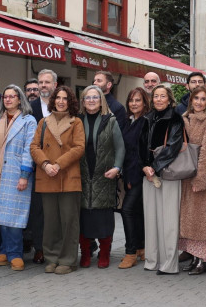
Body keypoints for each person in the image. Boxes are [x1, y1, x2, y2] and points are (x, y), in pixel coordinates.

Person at [0, 85, 37, 271]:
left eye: (13, 97)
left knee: (14, 218)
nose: (9, 100)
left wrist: (24, 175)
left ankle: (15, 254)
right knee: (0, 217)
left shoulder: (28, 121)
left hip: (16, 175)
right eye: (6, 97)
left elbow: (30, 149)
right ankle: (4, 250)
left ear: (20, 99)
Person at [30, 86, 85, 274]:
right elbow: (34, 147)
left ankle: (68, 260)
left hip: (68, 178)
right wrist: (45, 164)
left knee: (69, 221)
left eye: (65, 98)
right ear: (53, 101)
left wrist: (58, 164)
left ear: (70, 102)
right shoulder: (43, 122)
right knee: (51, 222)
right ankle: (51, 257)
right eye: (58, 98)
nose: (61, 101)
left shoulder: (76, 122)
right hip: (47, 177)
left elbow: (79, 148)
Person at [138, 84, 185, 275]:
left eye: (162, 96)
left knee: (169, 221)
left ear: (169, 98)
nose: (158, 99)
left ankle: (169, 264)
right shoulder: (146, 118)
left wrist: (154, 168)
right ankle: (152, 260)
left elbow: (173, 147)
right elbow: (139, 146)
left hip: (168, 174)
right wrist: (145, 167)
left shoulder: (175, 118)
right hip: (148, 175)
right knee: (151, 220)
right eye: (155, 96)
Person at [77, 85, 125, 270]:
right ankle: (86, 253)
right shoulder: (77, 120)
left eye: (95, 97)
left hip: (104, 176)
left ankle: (105, 253)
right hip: (82, 175)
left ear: (101, 100)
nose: (91, 101)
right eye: (87, 98)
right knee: (83, 218)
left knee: (103, 218)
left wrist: (117, 168)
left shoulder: (110, 120)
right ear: (83, 101)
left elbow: (120, 147)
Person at [177, 85, 206, 275]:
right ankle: (193, 256)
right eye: (196, 99)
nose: (199, 102)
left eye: (203, 99)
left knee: (203, 221)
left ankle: (203, 260)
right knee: (189, 220)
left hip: (201, 178)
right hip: (184, 176)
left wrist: (201, 180)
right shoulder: (184, 118)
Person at [25, 68, 58, 262]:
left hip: (58, 166)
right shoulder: (29, 108)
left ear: (55, 84)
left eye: (47, 82)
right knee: (37, 210)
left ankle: (54, 247)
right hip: (36, 165)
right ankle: (39, 248)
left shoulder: (63, 105)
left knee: (55, 211)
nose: (43, 85)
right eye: (41, 82)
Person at [118, 87, 149, 269]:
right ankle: (140, 247)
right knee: (136, 212)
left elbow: (140, 152)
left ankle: (130, 252)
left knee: (127, 210)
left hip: (141, 174)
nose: (134, 104)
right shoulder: (129, 121)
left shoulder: (145, 122)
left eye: (138, 100)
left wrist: (134, 175)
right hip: (130, 173)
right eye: (131, 100)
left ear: (145, 102)